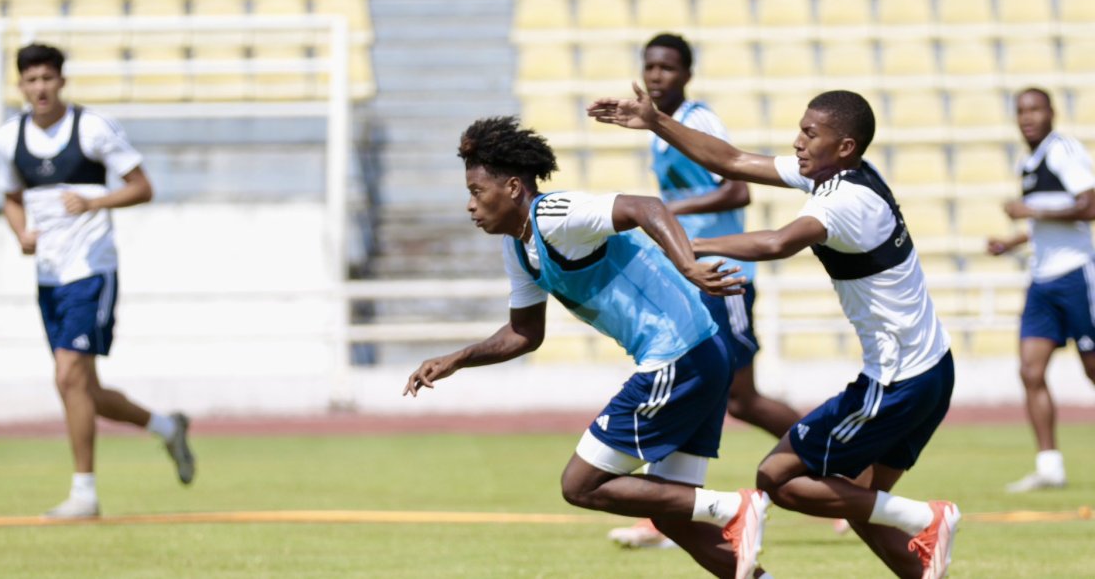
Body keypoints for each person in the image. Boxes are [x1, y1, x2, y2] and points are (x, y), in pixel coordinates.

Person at [589, 86, 960, 579]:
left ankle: (925, 517)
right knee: (857, 501)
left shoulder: (846, 200)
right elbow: (733, 160)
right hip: (930, 370)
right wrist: (656, 121)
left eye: (810, 133)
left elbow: (777, 241)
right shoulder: (840, 179)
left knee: (778, 478)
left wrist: (684, 245)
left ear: (844, 147)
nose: (798, 142)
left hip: (898, 381)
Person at [405, 116, 773, 579]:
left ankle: (734, 506)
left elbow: (647, 206)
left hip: (677, 357)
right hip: (700, 355)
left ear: (514, 188)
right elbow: (524, 334)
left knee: (580, 484)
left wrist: (688, 266)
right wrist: (457, 359)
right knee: (674, 516)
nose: (470, 206)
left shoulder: (557, 216)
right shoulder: (518, 247)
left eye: (477, 193)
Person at [608, 34, 803, 550]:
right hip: (697, 276)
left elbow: (737, 188)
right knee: (705, 392)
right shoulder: (658, 129)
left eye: (668, 68)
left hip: (726, 275)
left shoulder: (698, 121)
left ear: (686, 75)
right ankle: (669, 514)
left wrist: (668, 214)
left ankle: (841, 465)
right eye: (650, 66)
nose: (656, 76)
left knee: (740, 398)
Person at [0, 43, 196, 518]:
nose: (40, 87)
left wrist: (95, 203)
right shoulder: (8, 138)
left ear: (61, 81)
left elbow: (142, 186)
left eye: (48, 78)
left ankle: (84, 494)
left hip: (91, 270)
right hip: (50, 277)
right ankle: (168, 427)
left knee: (67, 375)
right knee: (80, 387)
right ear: (20, 86)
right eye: (31, 80)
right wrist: (20, 232)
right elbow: (11, 198)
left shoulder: (92, 129)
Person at [987, 87, 1095, 493]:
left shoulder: (1063, 150)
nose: (1027, 117)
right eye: (1021, 110)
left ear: (1052, 112)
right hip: (1042, 280)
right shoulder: (1029, 162)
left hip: (1075, 274)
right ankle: (1050, 466)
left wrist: (1030, 210)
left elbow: (1090, 205)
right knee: (1030, 370)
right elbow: (1046, 223)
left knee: (1092, 368)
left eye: (1035, 109)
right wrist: (1011, 242)